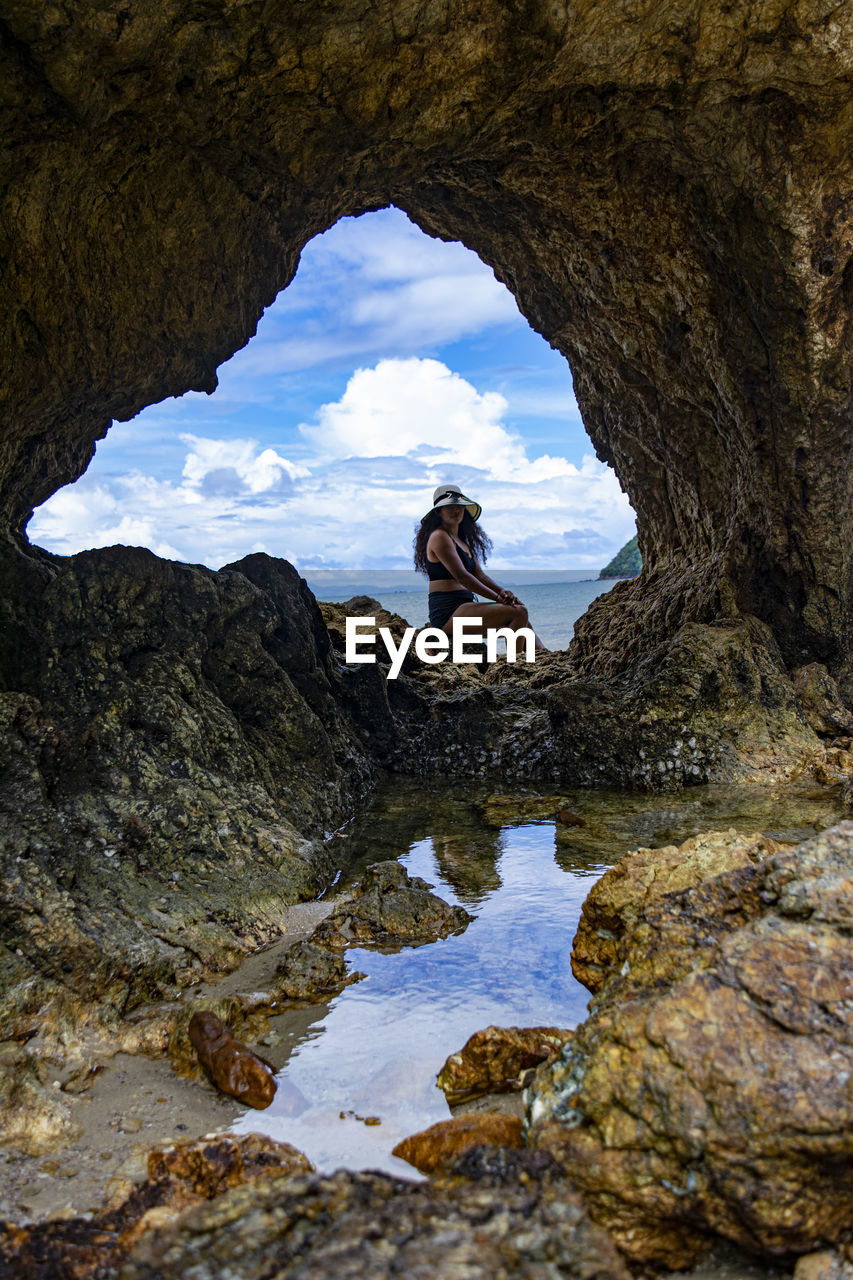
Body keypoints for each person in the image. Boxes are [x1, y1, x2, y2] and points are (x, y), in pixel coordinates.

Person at [413, 484, 547, 652]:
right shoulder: (439, 536)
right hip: (448, 613)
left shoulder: (461, 541)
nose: (456, 511)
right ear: (439, 512)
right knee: (518, 613)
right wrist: (498, 599)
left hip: (465, 606)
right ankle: (513, 666)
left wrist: (504, 593)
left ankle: (546, 658)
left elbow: (479, 575)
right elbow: (463, 577)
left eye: (460, 507)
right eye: (450, 507)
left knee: (522, 620)